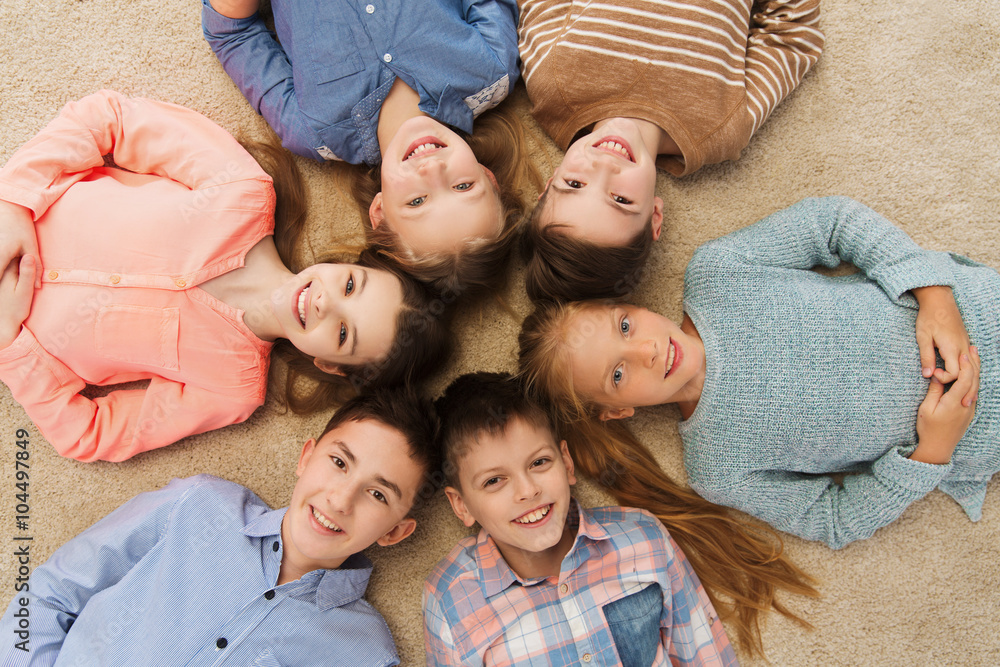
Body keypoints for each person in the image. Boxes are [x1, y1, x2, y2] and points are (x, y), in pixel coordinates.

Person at [519, 196, 997, 551]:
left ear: (630, 303)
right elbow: (834, 520)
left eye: (625, 325)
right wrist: (933, 452)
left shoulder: (719, 272)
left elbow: (831, 222)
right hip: (981, 433)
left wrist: (934, 296)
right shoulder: (718, 468)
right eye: (617, 375)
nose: (646, 349)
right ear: (617, 411)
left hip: (978, 310)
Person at [0, 90, 448, 462]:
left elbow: (89, 434)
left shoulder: (231, 388)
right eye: (350, 285)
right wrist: (15, 203)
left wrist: (10, 345)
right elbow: (108, 118)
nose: (326, 304)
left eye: (344, 332)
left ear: (329, 364)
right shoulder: (243, 192)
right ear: (348, 263)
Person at [0, 388, 439, 666]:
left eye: (378, 495)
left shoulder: (365, 654)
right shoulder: (199, 506)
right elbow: (51, 593)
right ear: (306, 457)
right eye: (339, 463)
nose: (341, 500)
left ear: (395, 531)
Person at [425, 372, 800, 662]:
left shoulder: (641, 536)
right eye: (494, 481)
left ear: (566, 462)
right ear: (461, 505)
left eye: (539, 463)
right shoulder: (450, 597)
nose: (527, 490)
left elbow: (703, 653)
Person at [202, 0, 531, 296]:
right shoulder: (492, 70)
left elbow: (233, 35)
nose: (432, 170)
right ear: (488, 176)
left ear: (380, 212)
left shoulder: (314, 133)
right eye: (463, 186)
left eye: (417, 201)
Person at [517, 0, 825, 302]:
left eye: (574, 184)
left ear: (548, 185)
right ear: (655, 217)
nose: (605, 167)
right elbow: (793, 38)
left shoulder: (551, 85)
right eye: (620, 199)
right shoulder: (721, 129)